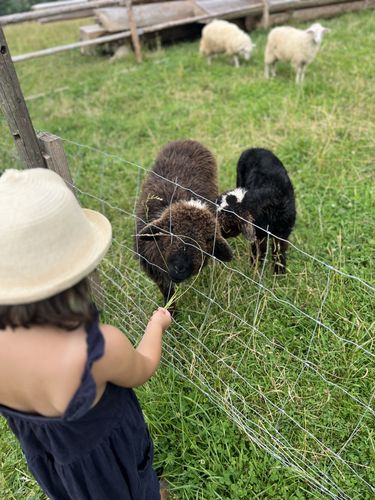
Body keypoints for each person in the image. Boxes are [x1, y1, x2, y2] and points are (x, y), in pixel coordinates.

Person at [0, 168, 172, 499]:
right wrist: (156, 325)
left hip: (52, 463)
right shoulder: (98, 348)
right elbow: (144, 367)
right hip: (111, 466)